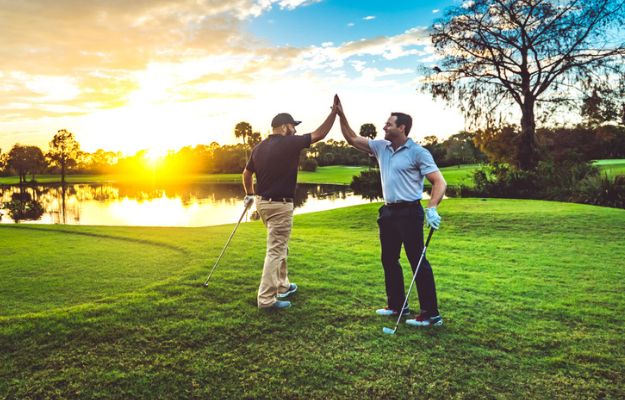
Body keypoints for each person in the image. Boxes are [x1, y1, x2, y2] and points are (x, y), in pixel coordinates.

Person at [334, 95, 447, 327]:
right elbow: (352, 138)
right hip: (388, 213)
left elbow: (439, 182)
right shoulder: (381, 147)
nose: (384, 126)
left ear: (402, 127)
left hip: (410, 212)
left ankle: (431, 314)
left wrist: (432, 207)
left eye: (389, 123)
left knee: (417, 261)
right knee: (389, 259)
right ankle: (397, 305)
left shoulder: (418, 152)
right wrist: (341, 115)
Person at [242, 99, 339, 310]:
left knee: (280, 245)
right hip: (279, 205)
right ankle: (266, 300)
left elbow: (247, 173)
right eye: (293, 126)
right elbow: (319, 134)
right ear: (285, 126)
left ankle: (283, 285)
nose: (295, 130)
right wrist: (334, 113)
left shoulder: (259, 147)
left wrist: (250, 194)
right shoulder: (289, 142)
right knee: (276, 250)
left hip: (263, 204)